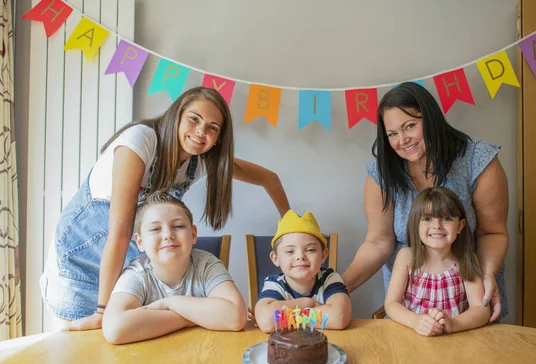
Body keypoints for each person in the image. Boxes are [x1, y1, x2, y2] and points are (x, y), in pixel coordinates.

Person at [40, 87, 290, 331]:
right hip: (78, 268)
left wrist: (289, 225)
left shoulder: (199, 162)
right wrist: (103, 311)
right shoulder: (141, 140)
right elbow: (121, 232)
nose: (201, 131)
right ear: (177, 115)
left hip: (124, 276)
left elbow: (270, 178)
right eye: (194, 119)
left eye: (213, 128)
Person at [341, 82, 508, 322]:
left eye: (410, 126)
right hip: (410, 314)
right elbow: (378, 242)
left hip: (468, 303)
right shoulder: (382, 172)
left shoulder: (476, 160)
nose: (403, 140)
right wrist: (338, 288)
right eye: (392, 134)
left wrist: (487, 275)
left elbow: (493, 232)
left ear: (430, 119)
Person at [102, 191, 246, 344]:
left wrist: (169, 303)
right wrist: (192, 317)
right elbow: (115, 329)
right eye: (155, 229)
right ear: (140, 242)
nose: (168, 235)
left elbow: (236, 317)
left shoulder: (207, 265)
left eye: (178, 226)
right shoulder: (137, 274)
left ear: (193, 234)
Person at [385, 187, 489, 336]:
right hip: (411, 339)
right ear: (417, 224)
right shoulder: (406, 257)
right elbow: (391, 304)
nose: (437, 225)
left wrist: (453, 324)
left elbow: (481, 310)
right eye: (427, 219)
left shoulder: (466, 259)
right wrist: (415, 322)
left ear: (460, 226)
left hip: (455, 342)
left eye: (446, 218)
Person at [254, 210, 351, 332]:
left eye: (310, 250)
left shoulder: (329, 278)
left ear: (323, 255)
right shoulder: (275, 283)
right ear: (275, 258)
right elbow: (267, 321)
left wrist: (283, 319)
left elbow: (339, 317)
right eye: (290, 251)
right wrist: (308, 303)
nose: (300, 256)